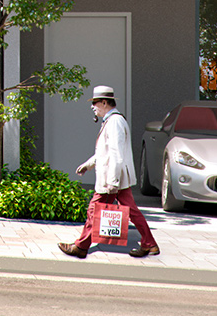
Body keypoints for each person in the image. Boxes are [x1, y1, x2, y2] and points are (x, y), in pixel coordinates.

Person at [59, 85, 158, 259]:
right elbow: (104, 152)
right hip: (116, 178)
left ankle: (81, 247)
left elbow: (116, 154)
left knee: (94, 210)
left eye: (95, 103)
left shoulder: (114, 122)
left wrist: (112, 182)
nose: (92, 107)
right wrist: (89, 164)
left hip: (111, 179)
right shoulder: (112, 121)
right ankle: (149, 244)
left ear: (104, 102)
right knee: (132, 211)